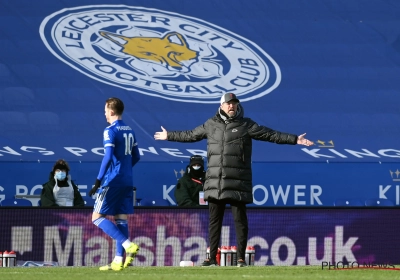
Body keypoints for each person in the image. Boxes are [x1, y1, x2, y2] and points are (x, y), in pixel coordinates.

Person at [154, 92, 314, 267]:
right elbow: (190, 135)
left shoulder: (246, 125)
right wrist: (169, 135)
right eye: (228, 103)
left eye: (234, 103)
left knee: (240, 221)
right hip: (216, 182)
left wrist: (294, 139)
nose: (232, 106)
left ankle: (240, 258)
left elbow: (270, 135)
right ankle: (210, 258)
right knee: (214, 221)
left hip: (238, 182)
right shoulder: (211, 124)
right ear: (221, 106)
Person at [88, 97, 141, 271]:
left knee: (96, 217)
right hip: (127, 179)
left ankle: (128, 245)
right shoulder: (131, 130)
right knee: (121, 219)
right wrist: (125, 169)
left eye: (105, 110)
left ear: (111, 111)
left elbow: (108, 156)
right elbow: (137, 156)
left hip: (113, 179)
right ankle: (118, 260)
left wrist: (98, 180)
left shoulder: (110, 130)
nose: (104, 113)